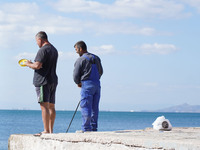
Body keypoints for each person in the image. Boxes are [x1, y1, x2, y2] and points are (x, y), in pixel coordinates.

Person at [26, 31, 58, 135]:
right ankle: (50, 130)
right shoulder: (54, 49)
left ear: (40, 39)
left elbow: (38, 66)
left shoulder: (43, 50)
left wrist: (28, 64)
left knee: (44, 106)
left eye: (36, 41)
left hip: (43, 81)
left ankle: (46, 130)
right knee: (51, 106)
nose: (36, 43)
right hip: (53, 80)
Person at [73, 41, 103, 132]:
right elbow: (101, 72)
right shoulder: (97, 58)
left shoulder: (80, 60)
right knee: (95, 107)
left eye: (76, 50)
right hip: (97, 84)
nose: (76, 52)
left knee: (85, 106)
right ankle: (94, 128)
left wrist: (78, 82)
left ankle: (86, 128)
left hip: (86, 84)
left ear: (80, 48)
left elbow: (75, 75)